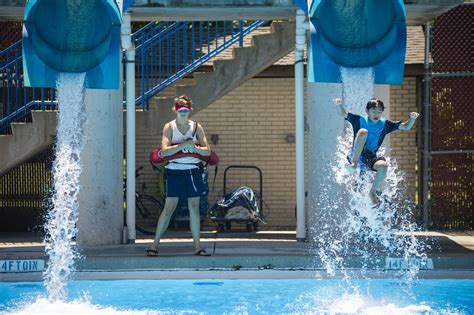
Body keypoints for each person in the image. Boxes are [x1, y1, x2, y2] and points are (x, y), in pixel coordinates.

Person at [146, 95, 211, 257]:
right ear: (175, 110)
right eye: (180, 109)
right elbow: (165, 151)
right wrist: (183, 145)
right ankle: (154, 245)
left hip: (193, 172)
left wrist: (193, 147)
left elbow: (207, 151)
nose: (183, 112)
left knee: (194, 209)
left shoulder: (196, 127)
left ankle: (197, 247)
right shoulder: (169, 127)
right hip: (174, 171)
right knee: (169, 209)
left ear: (190, 110)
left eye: (186, 110)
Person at [333, 98, 420, 205]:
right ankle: (354, 165)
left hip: (369, 158)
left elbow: (406, 127)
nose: (376, 114)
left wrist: (412, 118)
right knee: (364, 132)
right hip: (355, 155)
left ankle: (372, 192)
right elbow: (342, 113)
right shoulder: (359, 120)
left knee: (383, 166)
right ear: (367, 111)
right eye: (373, 111)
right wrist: (339, 104)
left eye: (379, 112)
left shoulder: (385, 124)